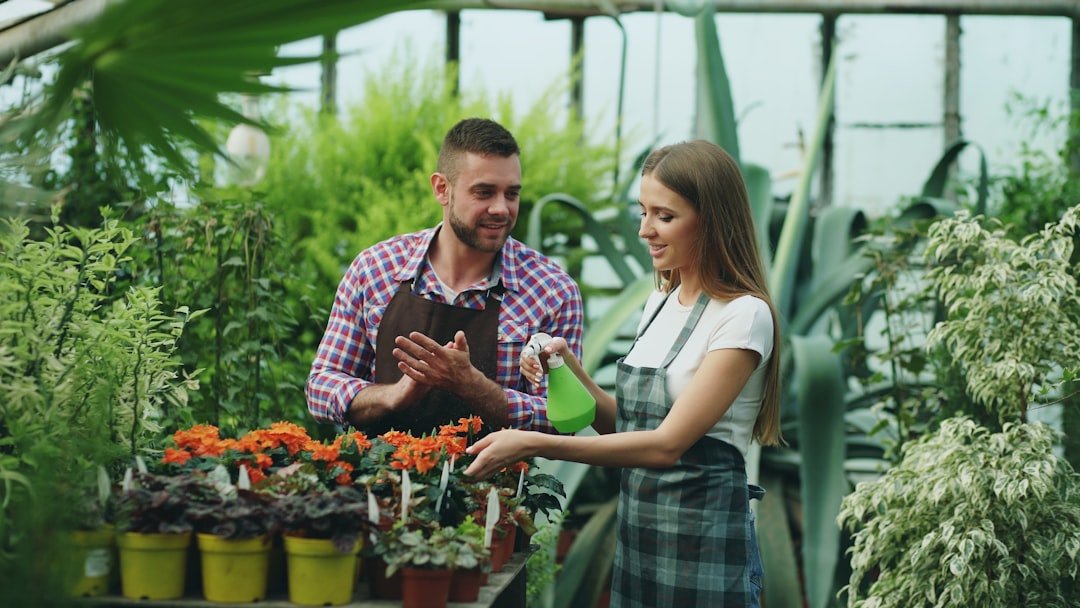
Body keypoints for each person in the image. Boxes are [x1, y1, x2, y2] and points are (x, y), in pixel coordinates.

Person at [465, 139, 782, 607]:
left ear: (712, 219)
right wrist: (564, 362)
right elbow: (626, 425)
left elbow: (666, 445)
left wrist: (532, 442)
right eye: (643, 212)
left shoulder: (743, 316)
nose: (645, 231)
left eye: (664, 216)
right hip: (642, 544)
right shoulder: (659, 303)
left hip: (706, 546)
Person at [305, 117, 585, 436]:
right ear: (442, 188)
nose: (502, 209)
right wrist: (392, 396)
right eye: (484, 192)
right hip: (375, 480)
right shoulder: (375, 269)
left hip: (494, 485)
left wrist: (471, 385)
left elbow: (564, 419)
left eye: (511, 194)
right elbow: (321, 386)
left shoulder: (551, 290)